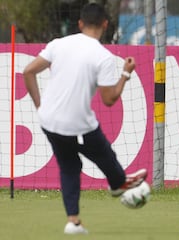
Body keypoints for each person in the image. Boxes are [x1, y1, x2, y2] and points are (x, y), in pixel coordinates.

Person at [23, 3, 147, 234]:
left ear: (80, 23)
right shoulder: (104, 56)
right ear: (105, 25)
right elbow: (109, 100)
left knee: (69, 166)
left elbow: (28, 72)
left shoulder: (58, 44)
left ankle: (73, 221)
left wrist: (41, 107)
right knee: (104, 154)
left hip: (48, 121)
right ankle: (118, 183)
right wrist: (125, 74)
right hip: (77, 123)